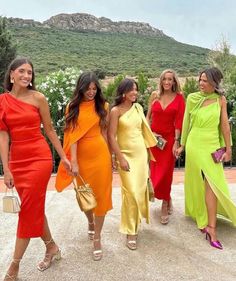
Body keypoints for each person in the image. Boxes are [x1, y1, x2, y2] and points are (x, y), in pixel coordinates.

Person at [0, 57, 71, 281]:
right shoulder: (2, 101)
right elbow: (3, 136)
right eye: (21, 71)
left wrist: (63, 157)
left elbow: (50, 130)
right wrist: (7, 169)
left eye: (29, 72)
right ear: (11, 74)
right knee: (33, 210)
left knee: (28, 211)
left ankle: (14, 267)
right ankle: (51, 247)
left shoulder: (38, 98)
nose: (26, 76)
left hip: (39, 158)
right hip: (17, 161)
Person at [176, 67, 236, 249]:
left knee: (213, 182)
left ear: (215, 83)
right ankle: (206, 223)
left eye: (206, 81)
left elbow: (225, 126)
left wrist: (228, 148)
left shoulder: (221, 100)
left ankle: (211, 226)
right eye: (200, 80)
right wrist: (182, 144)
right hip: (195, 143)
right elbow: (187, 122)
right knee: (195, 181)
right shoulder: (193, 98)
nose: (201, 84)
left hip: (211, 145)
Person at [55, 72, 112, 261]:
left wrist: (111, 158)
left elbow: (104, 133)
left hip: (100, 155)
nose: (91, 92)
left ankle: (97, 238)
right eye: (88, 89)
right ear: (81, 88)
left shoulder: (103, 106)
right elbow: (72, 137)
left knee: (102, 196)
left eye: (95, 89)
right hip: (81, 157)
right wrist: (75, 162)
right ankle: (90, 221)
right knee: (84, 195)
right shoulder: (73, 107)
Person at [108, 78, 157, 250]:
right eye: (131, 90)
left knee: (139, 190)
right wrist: (119, 157)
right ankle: (130, 230)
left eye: (136, 90)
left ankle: (134, 226)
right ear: (123, 92)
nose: (135, 93)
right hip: (125, 156)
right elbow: (111, 136)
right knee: (131, 192)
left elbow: (144, 129)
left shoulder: (138, 108)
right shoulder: (115, 111)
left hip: (140, 155)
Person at [146, 69, 185, 224]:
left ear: (174, 81)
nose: (167, 82)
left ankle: (163, 204)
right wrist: (151, 135)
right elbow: (147, 118)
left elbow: (179, 121)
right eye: (165, 79)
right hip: (155, 141)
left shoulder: (180, 98)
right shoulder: (155, 96)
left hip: (169, 141)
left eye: (170, 79)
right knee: (155, 175)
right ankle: (167, 198)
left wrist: (176, 141)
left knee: (165, 174)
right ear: (161, 81)